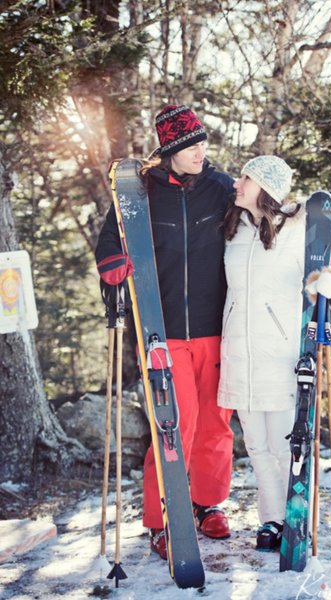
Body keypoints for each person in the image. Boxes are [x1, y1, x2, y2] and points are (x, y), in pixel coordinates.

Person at [95, 104, 234, 560]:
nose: (201, 152)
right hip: (163, 328)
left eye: (203, 143)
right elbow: (113, 236)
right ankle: (161, 518)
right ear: (171, 150)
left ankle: (206, 503)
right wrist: (113, 264)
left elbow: (263, 220)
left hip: (216, 328)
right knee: (173, 425)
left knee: (216, 423)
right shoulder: (141, 191)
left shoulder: (221, 188)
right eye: (191, 145)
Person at [217, 155, 304, 552]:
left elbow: (323, 274)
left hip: (278, 352)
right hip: (239, 350)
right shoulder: (234, 229)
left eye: (246, 178)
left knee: (285, 443)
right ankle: (270, 520)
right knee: (255, 444)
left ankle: (295, 516)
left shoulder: (298, 228)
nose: (237, 183)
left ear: (265, 188)